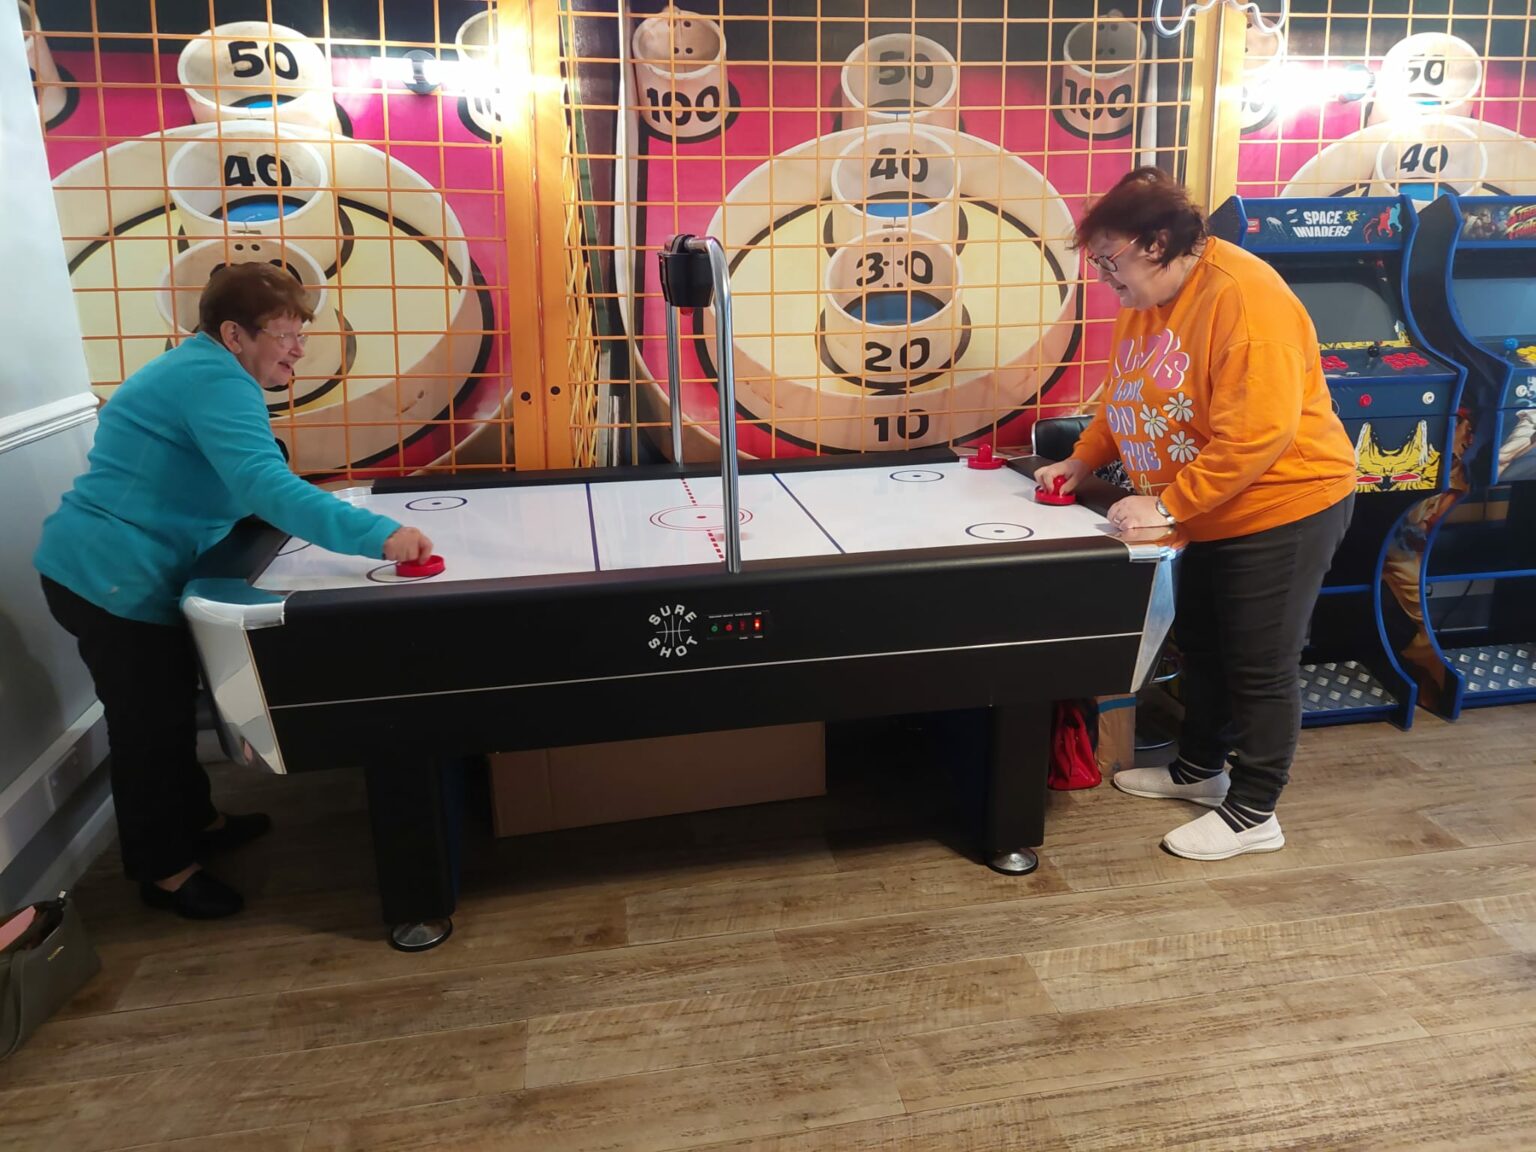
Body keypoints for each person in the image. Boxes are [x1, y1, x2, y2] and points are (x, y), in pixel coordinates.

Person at [35, 262, 436, 919]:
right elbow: (262, 484)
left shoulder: (204, 370)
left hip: (117, 566)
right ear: (233, 334)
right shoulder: (216, 380)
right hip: (109, 575)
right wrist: (379, 536)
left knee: (169, 707)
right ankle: (164, 870)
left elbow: (234, 477)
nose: (298, 349)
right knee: (149, 726)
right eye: (285, 335)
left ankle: (198, 822)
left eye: (302, 334)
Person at [1036, 168, 1357, 861]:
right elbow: (1125, 395)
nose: (1104, 278)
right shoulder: (1149, 299)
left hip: (1284, 503)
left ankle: (1254, 812)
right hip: (1210, 507)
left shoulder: (1244, 297)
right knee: (1204, 645)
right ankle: (1199, 770)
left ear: (1156, 244)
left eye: (1110, 261)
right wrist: (1083, 461)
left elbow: (1258, 434)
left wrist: (1167, 503)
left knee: (1260, 663)